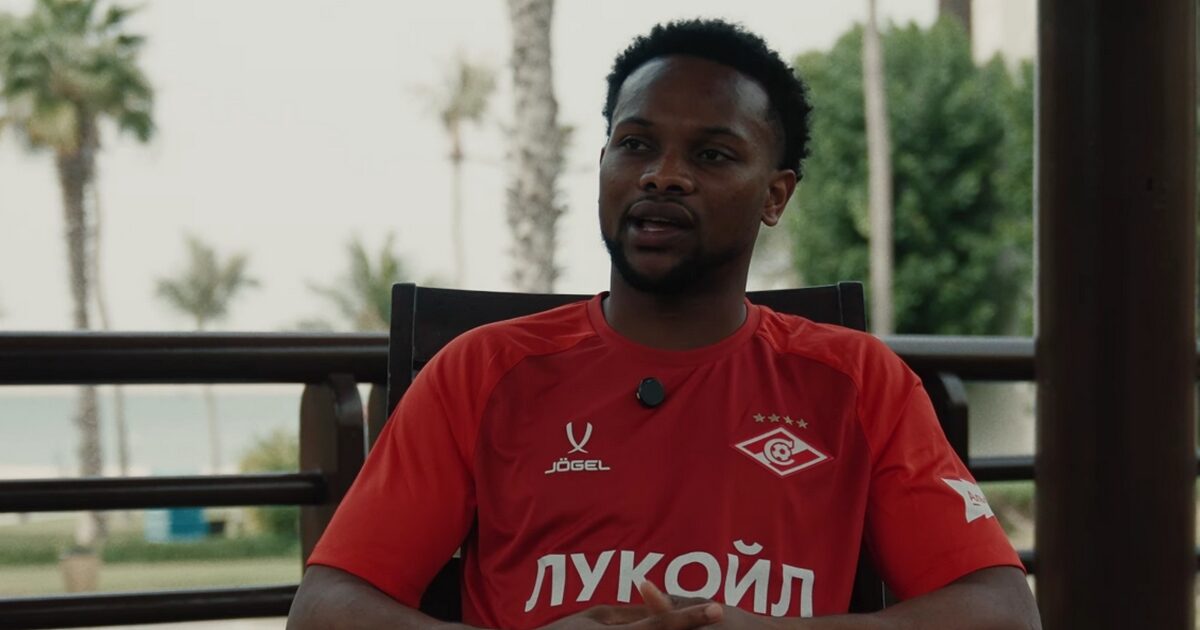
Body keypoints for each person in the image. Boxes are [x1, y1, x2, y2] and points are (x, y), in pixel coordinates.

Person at [288, 19, 1040, 630]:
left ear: (776, 196)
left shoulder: (859, 382)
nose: (663, 175)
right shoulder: (480, 371)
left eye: (711, 154)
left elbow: (1002, 612)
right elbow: (326, 609)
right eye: (636, 144)